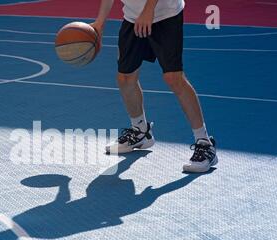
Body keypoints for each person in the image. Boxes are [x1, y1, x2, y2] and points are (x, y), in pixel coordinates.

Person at [92, 0, 218, 173]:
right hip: (133, 18)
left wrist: (148, 10)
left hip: (166, 15)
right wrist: (100, 22)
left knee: (173, 78)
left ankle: (205, 143)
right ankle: (140, 131)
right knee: (125, 78)